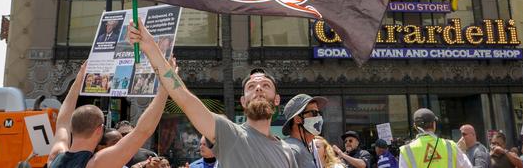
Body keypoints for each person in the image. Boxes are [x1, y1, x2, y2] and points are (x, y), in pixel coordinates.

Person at [129, 19, 298, 167]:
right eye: (251, 86)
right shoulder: (230, 134)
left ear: (277, 100)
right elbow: (185, 99)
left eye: (266, 85)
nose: (259, 88)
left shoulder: (287, 152)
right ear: (243, 101)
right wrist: (151, 49)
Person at [47, 60, 169, 168]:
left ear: (72, 128)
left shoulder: (55, 156)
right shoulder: (97, 163)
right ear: (99, 130)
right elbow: (142, 131)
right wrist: (165, 87)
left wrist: (79, 80)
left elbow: (62, 122)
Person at [399, 108, 472, 168]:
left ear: (415, 126)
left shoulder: (406, 150)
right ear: (434, 124)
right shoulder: (450, 145)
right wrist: (462, 151)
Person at [282, 93, 328, 167]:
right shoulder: (291, 150)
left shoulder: (307, 148)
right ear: (297, 119)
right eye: (314, 113)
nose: (319, 117)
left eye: (319, 113)